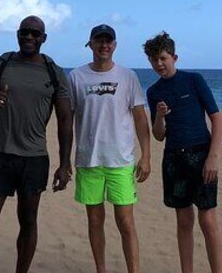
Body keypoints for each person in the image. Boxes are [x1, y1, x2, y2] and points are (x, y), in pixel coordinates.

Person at [0, 15, 73, 273]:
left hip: (34, 158)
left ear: (44, 38)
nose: (29, 37)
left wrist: (64, 164)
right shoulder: (2, 63)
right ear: (17, 34)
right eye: (24, 32)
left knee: (28, 222)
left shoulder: (54, 71)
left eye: (35, 33)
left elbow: (64, 120)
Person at [68, 24, 151, 273]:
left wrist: (146, 155)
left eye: (108, 41)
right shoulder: (76, 77)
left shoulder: (128, 76)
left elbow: (139, 118)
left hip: (121, 161)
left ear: (114, 45)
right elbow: (66, 119)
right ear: (90, 44)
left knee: (126, 222)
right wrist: (64, 159)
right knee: (95, 221)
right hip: (88, 160)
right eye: (99, 40)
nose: (104, 45)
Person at [144, 32, 222, 273]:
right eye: (154, 60)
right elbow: (158, 135)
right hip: (173, 159)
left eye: (163, 58)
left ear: (174, 57)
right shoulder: (153, 91)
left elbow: (217, 120)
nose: (159, 64)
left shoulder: (194, 80)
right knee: (183, 220)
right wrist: (159, 115)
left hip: (201, 155)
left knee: (207, 220)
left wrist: (212, 157)